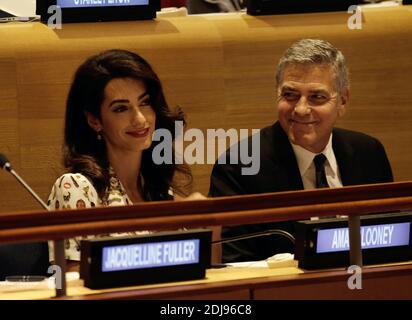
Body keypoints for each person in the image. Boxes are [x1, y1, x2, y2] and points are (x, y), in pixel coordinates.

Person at [209, 39, 393, 262]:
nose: (301, 109)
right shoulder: (240, 166)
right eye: (290, 95)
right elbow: (237, 265)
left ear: (342, 102)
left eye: (317, 97)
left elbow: (392, 242)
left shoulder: (368, 153)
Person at [47, 49, 203, 261]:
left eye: (145, 103)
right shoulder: (76, 188)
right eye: (121, 109)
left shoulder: (159, 191)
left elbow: (207, 274)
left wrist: (209, 224)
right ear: (94, 120)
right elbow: (74, 281)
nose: (140, 119)